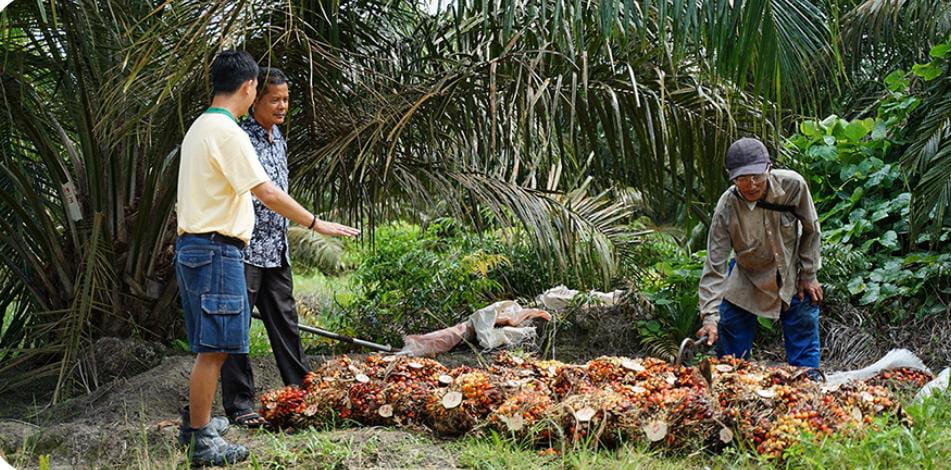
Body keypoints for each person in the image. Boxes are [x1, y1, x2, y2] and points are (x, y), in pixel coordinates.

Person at [175, 51, 359, 466]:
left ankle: (196, 423)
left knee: (211, 344)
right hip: (218, 247)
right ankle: (202, 441)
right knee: (217, 348)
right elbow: (267, 192)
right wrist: (317, 223)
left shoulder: (201, 127)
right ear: (248, 88)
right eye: (261, 89)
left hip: (196, 246)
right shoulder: (229, 132)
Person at [220, 67, 308, 428]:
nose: (282, 106)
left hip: (276, 249)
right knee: (237, 329)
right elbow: (264, 194)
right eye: (275, 99)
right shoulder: (242, 138)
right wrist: (314, 222)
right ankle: (240, 405)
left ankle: (301, 391)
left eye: (286, 99)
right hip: (246, 250)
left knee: (286, 322)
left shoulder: (278, 137)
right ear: (255, 100)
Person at [696, 137, 823, 370]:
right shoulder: (726, 207)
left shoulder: (793, 186)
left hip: (791, 273)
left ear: (769, 169)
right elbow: (715, 264)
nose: (751, 185)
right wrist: (710, 318)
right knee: (730, 355)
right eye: (742, 179)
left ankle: (808, 392)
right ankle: (732, 395)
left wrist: (809, 273)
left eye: (757, 176)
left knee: (804, 339)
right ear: (732, 177)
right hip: (747, 276)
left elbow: (811, 229)